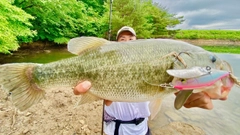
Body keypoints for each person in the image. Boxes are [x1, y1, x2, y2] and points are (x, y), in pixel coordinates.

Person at [73, 26, 216, 135]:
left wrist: (192, 93)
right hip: (113, 130)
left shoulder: (154, 64)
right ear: (115, 44)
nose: (127, 42)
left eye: (131, 39)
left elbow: (176, 89)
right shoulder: (104, 63)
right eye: (122, 39)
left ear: (138, 43)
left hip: (142, 129)